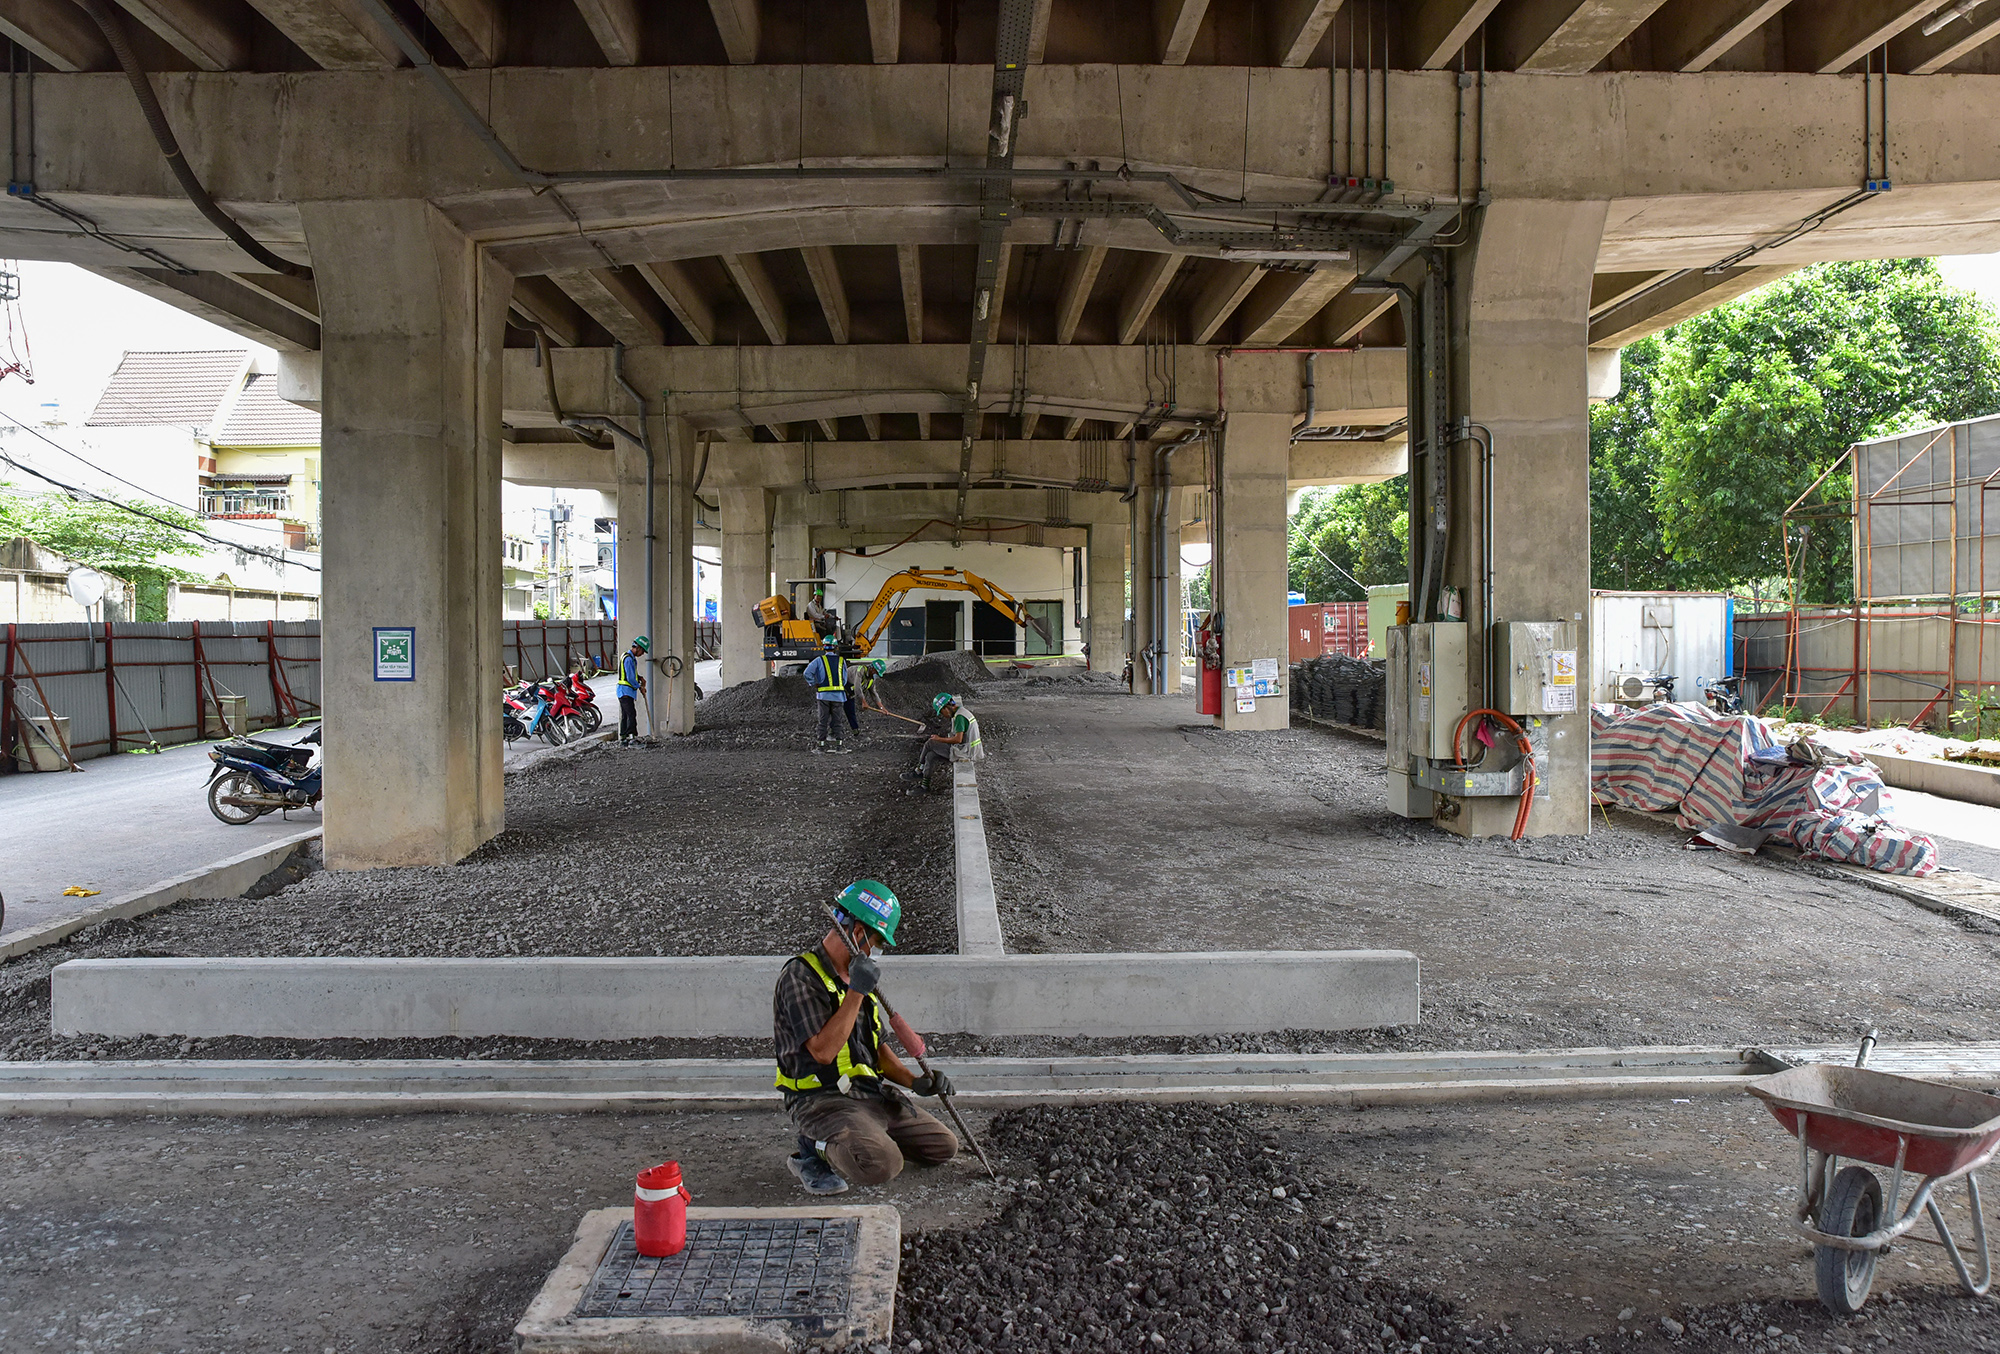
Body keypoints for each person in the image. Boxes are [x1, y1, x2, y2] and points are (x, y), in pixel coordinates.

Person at [773, 880, 959, 1194]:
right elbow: (822, 1052)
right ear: (858, 933)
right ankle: (811, 1147)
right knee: (881, 1165)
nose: (878, 952)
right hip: (821, 1103)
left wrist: (914, 1082)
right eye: (878, 942)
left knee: (942, 1147)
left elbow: (877, 1048)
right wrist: (857, 992)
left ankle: (869, 1136)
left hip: (867, 1095)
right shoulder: (801, 977)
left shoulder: (858, 979)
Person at [901, 691, 981, 793]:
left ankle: (918, 771)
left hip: (966, 752)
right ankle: (925, 786)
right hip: (966, 749)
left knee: (930, 743)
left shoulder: (960, 717)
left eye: (942, 712)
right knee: (930, 755)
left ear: (945, 708)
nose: (943, 715)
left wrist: (939, 739)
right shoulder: (960, 712)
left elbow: (958, 739)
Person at [802, 636, 852, 754]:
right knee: (837, 721)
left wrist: (813, 683)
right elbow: (844, 679)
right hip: (839, 697)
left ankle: (821, 747)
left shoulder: (819, 660)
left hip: (823, 696)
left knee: (822, 721)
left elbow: (807, 673)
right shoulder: (841, 661)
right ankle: (839, 747)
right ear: (835, 647)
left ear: (824, 647)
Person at [616, 636, 649, 747]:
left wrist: (639, 677)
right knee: (631, 714)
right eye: (642, 651)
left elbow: (630, 674)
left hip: (625, 691)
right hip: (625, 691)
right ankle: (632, 739)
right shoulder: (629, 659)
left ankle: (623, 739)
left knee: (625, 715)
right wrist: (640, 686)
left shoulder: (628, 656)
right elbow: (630, 678)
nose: (642, 654)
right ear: (638, 648)